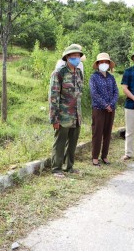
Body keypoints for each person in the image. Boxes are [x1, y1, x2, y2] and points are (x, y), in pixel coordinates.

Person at [49, 44, 84, 178]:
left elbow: (79, 95)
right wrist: (54, 118)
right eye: (73, 56)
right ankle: (56, 168)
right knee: (60, 142)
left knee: (73, 142)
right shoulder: (59, 73)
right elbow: (53, 97)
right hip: (63, 115)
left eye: (78, 56)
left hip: (76, 115)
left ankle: (69, 167)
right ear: (67, 57)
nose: (76, 58)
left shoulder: (79, 72)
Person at [89, 53, 119, 166]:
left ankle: (104, 156)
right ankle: (95, 157)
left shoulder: (111, 77)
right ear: (98, 64)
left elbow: (116, 92)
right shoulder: (94, 77)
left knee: (107, 133)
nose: (104, 64)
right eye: (101, 62)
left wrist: (111, 104)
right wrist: (105, 105)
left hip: (111, 109)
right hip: (99, 109)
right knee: (97, 133)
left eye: (106, 62)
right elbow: (94, 93)